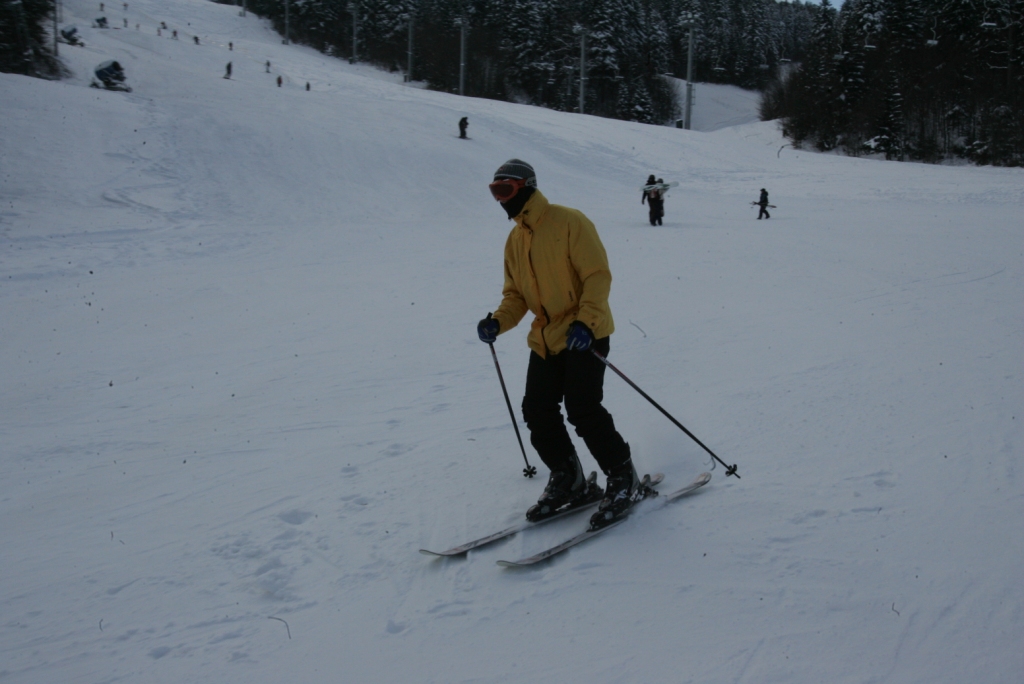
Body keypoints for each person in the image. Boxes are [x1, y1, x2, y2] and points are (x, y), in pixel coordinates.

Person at [478, 159, 642, 529]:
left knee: (583, 409)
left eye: (504, 190)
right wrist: (497, 321)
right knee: (537, 410)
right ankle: (569, 478)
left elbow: (597, 277)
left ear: (526, 187)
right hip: (546, 338)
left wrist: (586, 321)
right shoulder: (515, 239)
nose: (499, 200)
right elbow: (516, 295)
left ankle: (622, 475)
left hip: (587, 332)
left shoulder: (569, 221)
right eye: (494, 192)